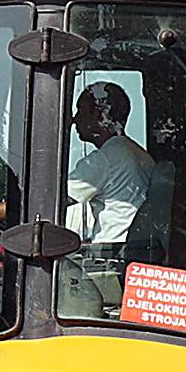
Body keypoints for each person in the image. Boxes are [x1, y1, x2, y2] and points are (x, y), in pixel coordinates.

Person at [65, 81, 154, 247]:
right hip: (131, 251)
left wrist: (8, 210)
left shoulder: (105, 158)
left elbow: (50, 200)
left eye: (81, 111)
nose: (75, 119)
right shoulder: (136, 153)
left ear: (101, 116)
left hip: (110, 257)